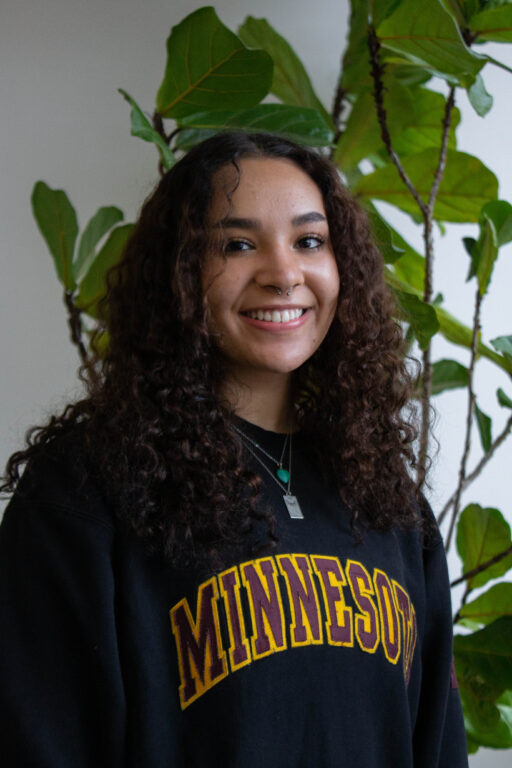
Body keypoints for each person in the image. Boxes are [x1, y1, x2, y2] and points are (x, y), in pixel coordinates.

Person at [0, 132, 467, 767]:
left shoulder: (389, 504)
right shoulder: (88, 492)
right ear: (180, 274)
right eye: (238, 244)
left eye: (309, 241)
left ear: (343, 269)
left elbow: (437, 747)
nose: (284, 274)